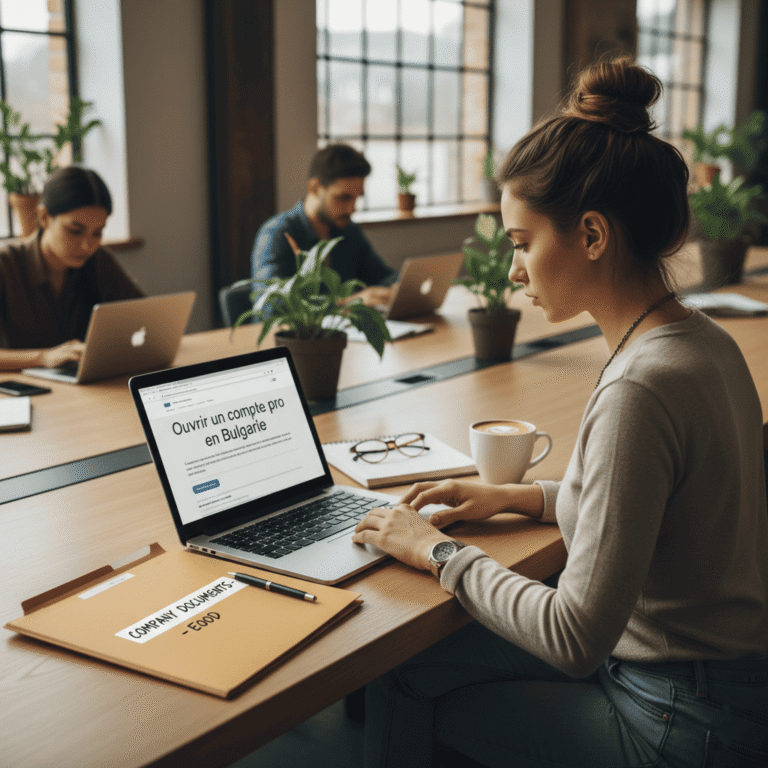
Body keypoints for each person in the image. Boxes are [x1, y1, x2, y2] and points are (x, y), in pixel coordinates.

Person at [352, 58, 768, 768]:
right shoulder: (700, 342)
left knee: (412, 679)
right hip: (721, 688)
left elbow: (575, 638)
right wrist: (515, 497)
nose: (513, 269)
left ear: (594, 235)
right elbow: (649, 503)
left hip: (677, 719)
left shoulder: (640, 385)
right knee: (416, 661)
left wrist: (434, 549)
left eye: (521, 243)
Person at [0, 166, 143, 371]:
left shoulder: (98, 260)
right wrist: (42, 358)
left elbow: (142, 318)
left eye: (97, 233)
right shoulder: (6, 265)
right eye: (75, 231)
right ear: (44, 217)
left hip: (88, 387)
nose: (87, 245)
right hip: (24, 393)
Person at [251, 143, 398, 307]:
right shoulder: (276, 233)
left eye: (357, 198)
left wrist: (400, 288)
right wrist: (348, 303)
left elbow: (383, 276)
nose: (352, 209)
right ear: (314, 188)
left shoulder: (348, 231)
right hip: (288, 333)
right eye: (344, 198)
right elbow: (272, 305)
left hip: (341, 331)